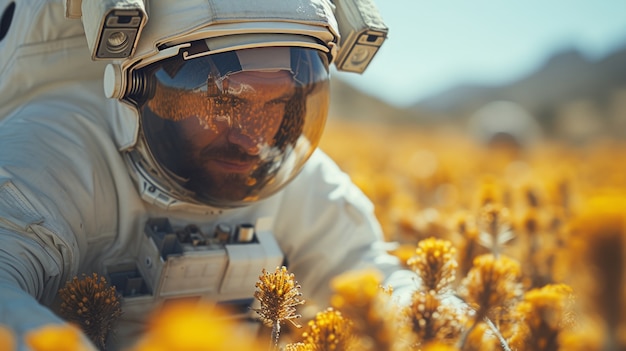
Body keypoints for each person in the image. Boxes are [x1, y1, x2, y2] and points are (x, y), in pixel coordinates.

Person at [0, 0, 415, 349]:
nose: (253, 141)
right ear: (138, 86)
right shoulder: (55, 150)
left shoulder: (290, 176)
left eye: (277, 105)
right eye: (225, 101)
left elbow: (372, 276)